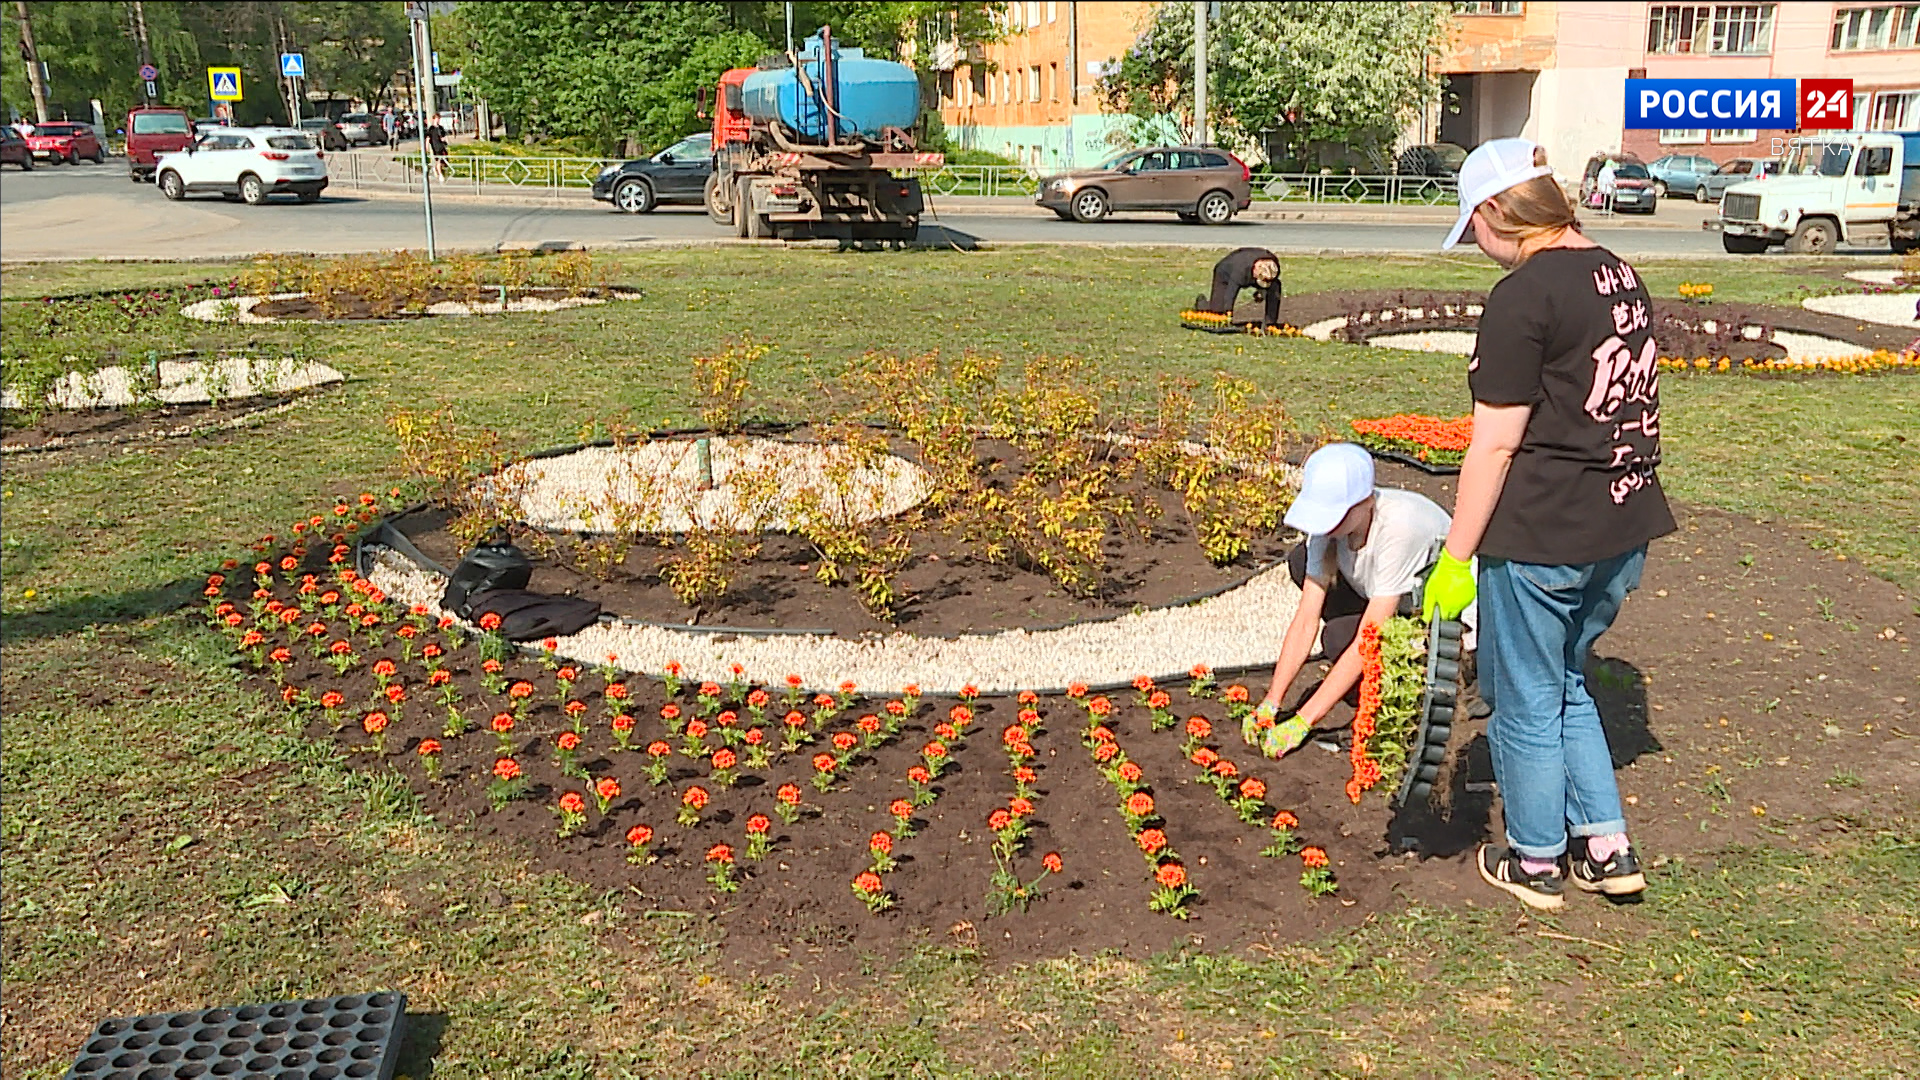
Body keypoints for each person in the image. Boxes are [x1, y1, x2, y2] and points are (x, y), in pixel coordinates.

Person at [1424, 137, 1674, 911]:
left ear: (1501, 211)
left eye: (1475, 228)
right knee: (1568, 681)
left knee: (1526, 696)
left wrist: (1457, 556)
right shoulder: (1617, 272)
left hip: (1545, 530)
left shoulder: (1524, 295)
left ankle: (1535, 859)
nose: (1477, 245)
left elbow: (1495, 443)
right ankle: (1606, 844)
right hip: (1623, 523)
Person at [1247, 443, 1468, 759]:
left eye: (1334, 515)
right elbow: (1306, 616)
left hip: (1442, 620)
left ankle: (1407, 680)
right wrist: (1273, 700)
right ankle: (1358, 679)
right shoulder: (1330, 528)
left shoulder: (1400, 526)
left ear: (1365, 502)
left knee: (1339, 639)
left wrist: (1303, 720)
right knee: (1301, 561)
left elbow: (1371, 636)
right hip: (1384, 597)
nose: (1325, 526)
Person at [1197, 247, 1283, 328]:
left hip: (1251, 271)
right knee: (1217, 312)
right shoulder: (1240, 269)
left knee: (1275, 287)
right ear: (1255, 271)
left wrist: (1261, 292)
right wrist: (1227, 316)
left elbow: (1269, 283)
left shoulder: (1273, 267)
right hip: (1224, 273)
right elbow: (1230, 294)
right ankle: (1201, 303)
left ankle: (1270, 322)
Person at [425, 112, 449, 178]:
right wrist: (426, 148)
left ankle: (436, 169)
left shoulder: (441, 128)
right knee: (438, 160)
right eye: (436, 119)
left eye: (438, 119)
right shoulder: (431, 129)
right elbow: (427, 138)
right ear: (433, 119)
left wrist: (445, 141)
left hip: (442, 146)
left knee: (444, 159)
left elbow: (444, 136)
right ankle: (440, 174)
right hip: (435, 146)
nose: (438, 120)